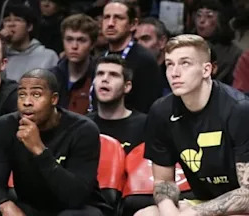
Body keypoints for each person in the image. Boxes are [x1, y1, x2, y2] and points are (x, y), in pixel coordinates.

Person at [137, 34, 249, 216]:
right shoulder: (161, 111)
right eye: (169, 64)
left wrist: (194, 213)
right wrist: (170, 213)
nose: (174, 73)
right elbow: (163, 182)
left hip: (241, 205)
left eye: (185, 63)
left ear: (206, 70)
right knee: (145, 215)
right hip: (204, 202)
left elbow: (247, 194)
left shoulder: (240, 110)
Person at [0, 69, 105, 216]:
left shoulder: (83, 130)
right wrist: (6, 206)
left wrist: (39, 150)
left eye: (36, 95)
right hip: (32, 208)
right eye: (22, 95)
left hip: (78, 209)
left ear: (54, 99)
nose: (27, 102)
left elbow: (75, 197)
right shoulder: (6, 126)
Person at [88, 55, 146, 153]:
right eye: (100, 74)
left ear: (127, 86)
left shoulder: (145, 126)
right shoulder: (83, 126)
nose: (105, 79)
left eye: (113, 74)